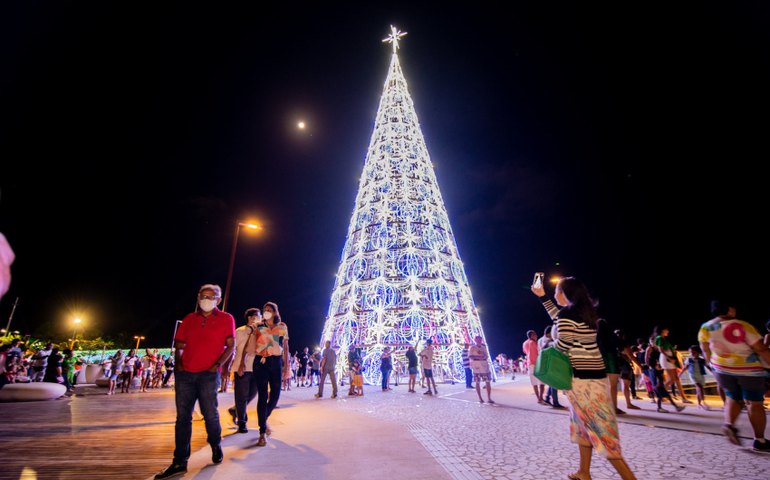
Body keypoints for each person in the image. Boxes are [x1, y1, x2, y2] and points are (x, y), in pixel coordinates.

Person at [533, 277, 637, 480]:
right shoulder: (583, 313)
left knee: (603, 433)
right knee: (582, 427)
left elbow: (563, 345)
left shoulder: (567, 315)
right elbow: (558, 319)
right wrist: (542, 297)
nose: (555, 295)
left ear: (565, 294)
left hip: (582, 382)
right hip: (595, 378)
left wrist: (545, 350)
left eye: (556, 291)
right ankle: (583, 472)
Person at [154, 284, 235, 480]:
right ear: (198, 298)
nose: (207, 299)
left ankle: (215, 443)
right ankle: (180, 461)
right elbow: (179, 345)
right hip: (186, 375)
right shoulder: (189, 319)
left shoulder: (226, 319)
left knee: (210, 414)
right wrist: (179, 365)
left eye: (212, 296)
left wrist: (217, 365)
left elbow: (230, 346)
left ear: (218, 299)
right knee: (183, 418)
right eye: (203, 296)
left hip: (208, 374)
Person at [698, 299, 770, 453]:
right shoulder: (742, 325)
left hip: (721, 369)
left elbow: (705, 349)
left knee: (733, 397)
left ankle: (729, 424)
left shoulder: (705, 327)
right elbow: (760, 348)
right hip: (748, 369)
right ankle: (760, 440)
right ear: (730, 310)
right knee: (754, 403)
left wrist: (711, 365)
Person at [251, 301, 289, 447]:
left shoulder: (282, 326)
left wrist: (286, 366)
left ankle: (263, 419)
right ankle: (262, 432)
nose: (266, 312)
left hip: (276, 362)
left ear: (275, 312)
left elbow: (285, 347)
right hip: (261, 362)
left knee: (275, 395)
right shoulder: (259, 326)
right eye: (264, 310)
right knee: (262, 395)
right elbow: (252, 343)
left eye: (269, 310)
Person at [228, 307, 261, 433]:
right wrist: (228, 366)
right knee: (241, 395)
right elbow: (232, 349)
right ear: (250, 317)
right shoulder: (240, 331)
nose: (259, 318)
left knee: (253, 393)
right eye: (257, 316)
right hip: (242, 367)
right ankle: (242, 422)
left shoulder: (261, 331)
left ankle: (236, 410)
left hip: (257, 368)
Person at [538, 325, 564, 408]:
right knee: (554, 383)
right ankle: (555, 403)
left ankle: (547, 398)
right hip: (551, 363)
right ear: (550, 333)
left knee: (552, 383)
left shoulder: (540, 340)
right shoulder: (549, 341)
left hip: (545, 363)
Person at [684, 344, 710, 410]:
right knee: (699, 387)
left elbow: (707, 366)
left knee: (699, 389)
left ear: (698, 352)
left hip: (700, 375)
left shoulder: (702, 360)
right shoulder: (689, 359)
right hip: (693, 375)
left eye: (693, 352)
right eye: (690, 352)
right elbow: (685, 367)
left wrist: (713, 373)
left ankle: (699, 403)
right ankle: (703, 402)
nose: (692, 354)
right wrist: (679, 374)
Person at [469, 335, 494, 403]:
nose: (479, 341)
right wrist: (478, 357)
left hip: (484, 366)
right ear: (475, 340)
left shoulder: (483, 347)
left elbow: (486, 355)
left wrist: (483, 358)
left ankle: (489, 398)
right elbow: (470, 356)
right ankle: (480, 398)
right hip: (477, 367)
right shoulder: (472, 348)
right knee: (477, 382)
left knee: (487, 382)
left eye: (480, 339)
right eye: (478, 339)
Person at [522, 330, 545, 405]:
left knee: (534, 383)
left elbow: (525, 352)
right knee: (542, 382)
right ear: (531, 336)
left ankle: (538, 398)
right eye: (535, 335)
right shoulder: (534, 343)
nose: (537, 336)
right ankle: (541, 397)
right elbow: (539, 352)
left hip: (530, 364)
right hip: (537, 364)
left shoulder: (524, 343)